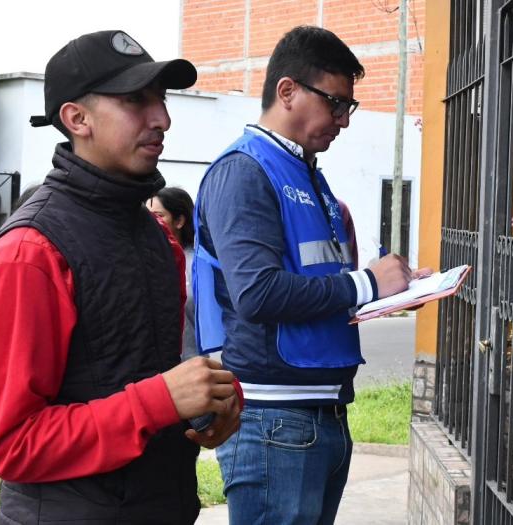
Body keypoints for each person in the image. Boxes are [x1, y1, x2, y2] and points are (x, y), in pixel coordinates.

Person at [0, 30, 241, 524]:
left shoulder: (158, 238)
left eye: (160, 98)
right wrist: (160, 401)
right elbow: (13, 446)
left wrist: (213, 401)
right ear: (77, 118)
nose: (162, 118)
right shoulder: (30, 253)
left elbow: (164, 368)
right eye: (136, 100)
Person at [194, 25, 428, 524]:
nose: (343, 120)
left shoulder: (306, 172)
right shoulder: (245, 171)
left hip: (319, 414)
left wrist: (391, 293)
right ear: (287, 91)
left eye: (350, 107)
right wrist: (366, 282)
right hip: (275, 418)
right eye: (336, 103)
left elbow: (317, 287)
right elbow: (258, 293)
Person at [148, 186, 198, 358]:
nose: (151, 221)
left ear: (179, 221)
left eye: (159, 215)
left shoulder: (197, 265)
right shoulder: (142, 260)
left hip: (191, 364)